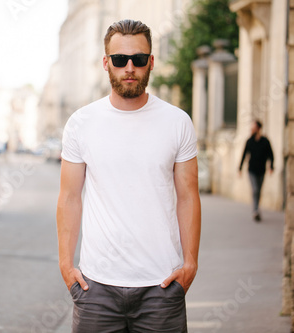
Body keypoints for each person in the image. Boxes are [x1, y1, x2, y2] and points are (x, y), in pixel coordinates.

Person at [56, 19, 201, 332]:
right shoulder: (82, 123)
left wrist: (190, 264)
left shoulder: (177, 122)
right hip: (96, 288)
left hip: (161, 287)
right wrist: (67, 266)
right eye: (120, 60)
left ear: (151, 62)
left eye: (139, 59)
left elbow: (189, 196)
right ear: (106, 63)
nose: (130, 67)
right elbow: (69, 197)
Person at [238, 120, 274, 222]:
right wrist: (240, 168)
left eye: (253, 127)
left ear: (258, 128)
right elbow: (244, 154)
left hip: (262, 170)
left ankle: (256, 208)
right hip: (252, 170)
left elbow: (271, 154)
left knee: (259, 190)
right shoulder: (249, 141)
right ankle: (255, 210)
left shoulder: (265, 141)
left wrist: (271, 166)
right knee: (255, 190)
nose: (251, 129)